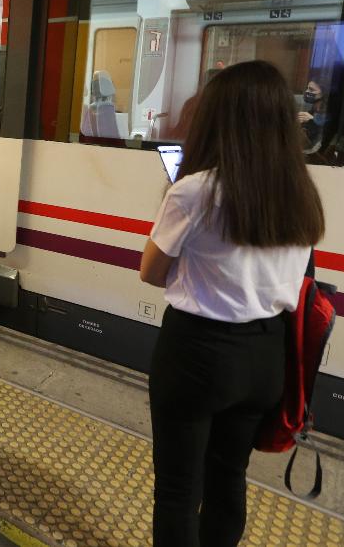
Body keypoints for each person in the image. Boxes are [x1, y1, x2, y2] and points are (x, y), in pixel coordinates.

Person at [139, 60, 324, 547]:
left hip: (198, 354)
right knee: (228, 479)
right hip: (265, 359)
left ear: (218, 118)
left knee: (179, 489)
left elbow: (150, 272)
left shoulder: (194, 191)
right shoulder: (299, 193)